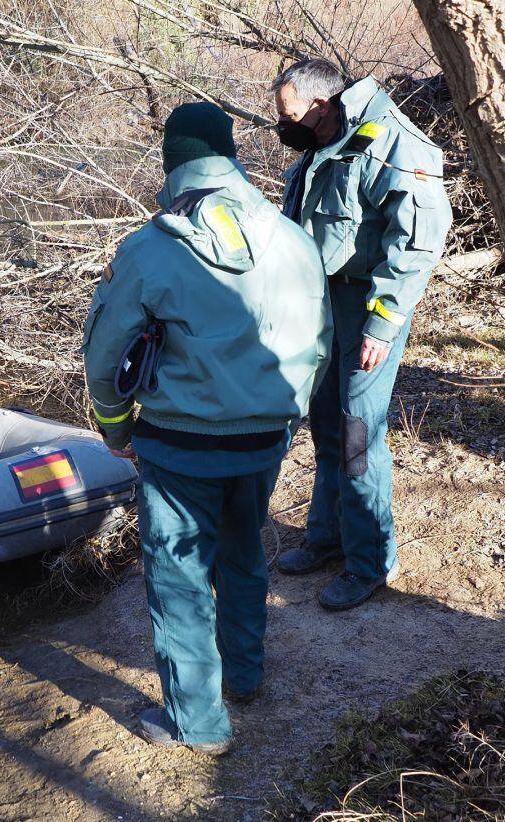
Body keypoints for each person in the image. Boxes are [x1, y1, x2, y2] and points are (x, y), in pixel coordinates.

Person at [83, 102, 332, 755]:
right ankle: (243, 677)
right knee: (245, 551)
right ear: (231, 158)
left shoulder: (148, 249)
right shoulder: (294, 239)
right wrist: (284, 419)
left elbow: (105, 358)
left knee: (179, 575)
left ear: (174, 166)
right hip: (262, 440)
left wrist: (116, 433)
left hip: (178, 446)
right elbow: (321, 344)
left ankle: (196, 723)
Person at [271, 59, 452, 609]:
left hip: (366, 307)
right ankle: (327, 537)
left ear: (323, 106)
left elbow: (419, 243)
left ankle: (370, 560)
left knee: (357, 434)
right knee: (325, 422)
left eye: (292, 115)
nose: (286, 126)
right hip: (321, 303)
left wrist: (382, 321)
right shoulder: (328, 140)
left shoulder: (393, 143)